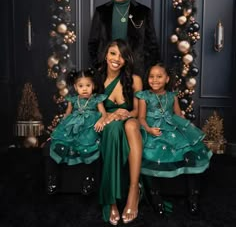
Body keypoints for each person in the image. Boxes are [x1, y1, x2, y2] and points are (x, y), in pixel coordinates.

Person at [136, 62, 213, 215]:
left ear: (166, 79)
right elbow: (141, 118)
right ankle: (156, 197)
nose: (155, 80)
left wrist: (186, 131)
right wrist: (149, 129)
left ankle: (193, 196)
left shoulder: (172, 96)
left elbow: (178, 115)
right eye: (151, 76)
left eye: (159, 76)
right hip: (154, 130)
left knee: (189, 151)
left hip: (172, 127)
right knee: (152, 154)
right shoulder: (144, 96)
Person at [97, 39, 143, 225]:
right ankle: (112, 200)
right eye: (113, 53)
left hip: (129, 122)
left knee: (130, 125)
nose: (117, 59)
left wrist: (122, 115)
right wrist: (112, 114)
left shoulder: (134, 80)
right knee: (113, 128)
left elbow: (137, 112)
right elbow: (94, 109)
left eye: (122, 55)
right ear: (106, 55)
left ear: (127, 59)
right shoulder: (97, 78)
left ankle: (134, 190)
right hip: (107, 125)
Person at [88, 0, 159, 78]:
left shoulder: (143, 11)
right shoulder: (101, 11)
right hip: (107, 71)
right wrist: (99, 65)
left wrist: (145, 70)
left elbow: (152, 45)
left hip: (135, 71)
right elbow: (93, 43)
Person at [46, 68, 107, 194]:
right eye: (81, 86)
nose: (84, 89)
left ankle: (88, 178)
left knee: (88, 147)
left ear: (93, 86)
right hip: (72, 126)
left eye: (88, 85)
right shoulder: (73, 100)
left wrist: (100, 121)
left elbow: (104, 114)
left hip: (88, 128)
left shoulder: (96, 99)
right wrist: (58, 130)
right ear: (75, 87)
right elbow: (67, 115)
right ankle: (53, 178)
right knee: (59, 144)